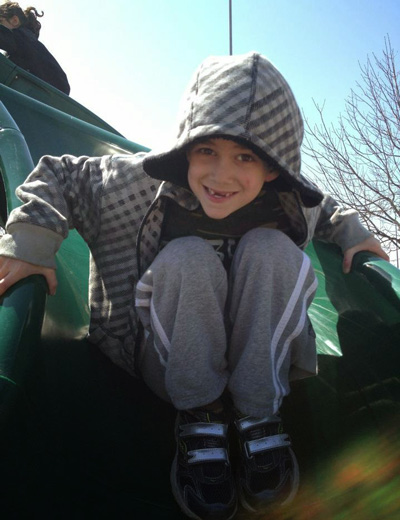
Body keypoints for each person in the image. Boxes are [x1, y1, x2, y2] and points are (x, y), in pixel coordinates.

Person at [0, 52, 388, 519]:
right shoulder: (135, 184)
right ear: (185, 149)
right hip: (169, 355)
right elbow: (60, 174)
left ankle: (257, 415)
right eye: (207, 150)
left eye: (245, 157)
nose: (221, 175)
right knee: (189, 258)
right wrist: (31, 241)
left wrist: (355, 234)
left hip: (259, 359)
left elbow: (325, 208)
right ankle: (201, 416)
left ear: (273, 168)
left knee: (272, 249)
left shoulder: (287, 199)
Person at [0, 1, 70, 94]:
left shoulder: (21, 37)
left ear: (14, 21)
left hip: (42, 93)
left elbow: (5, 38)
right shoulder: (28, 42)